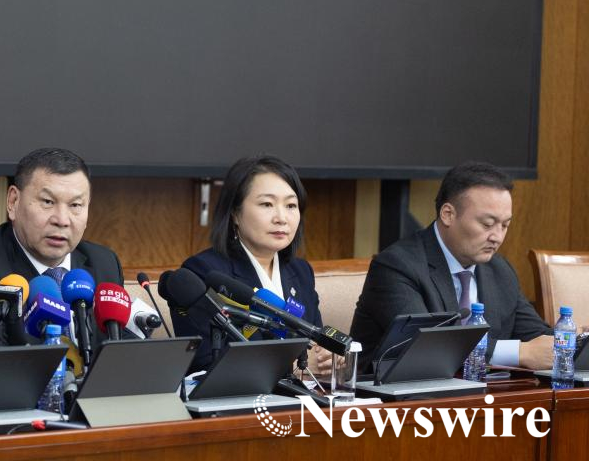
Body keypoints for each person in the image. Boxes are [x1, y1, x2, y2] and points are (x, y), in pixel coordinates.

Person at [0, 147, 124, 382]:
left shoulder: (104, 264)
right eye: (47, 202)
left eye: (75, 205)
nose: (62, 220)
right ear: (13, 202)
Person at [350, 161, 559, 369]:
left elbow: (536, 337)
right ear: (448, 214)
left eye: (505, 225)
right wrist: (519, 352)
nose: (497, 237)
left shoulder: (500, 271)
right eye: (487, 224)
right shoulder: (396, 266)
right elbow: (428, 347)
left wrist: (570, 344)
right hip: (400, 389)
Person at [171, 155, 329, 374]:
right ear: (235, 213)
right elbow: (204, 364)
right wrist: (291, 368)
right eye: (267, 204)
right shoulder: (203, 273)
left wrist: (329, 358)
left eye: (291, 205)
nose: (282, 218)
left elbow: (315, 345)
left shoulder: (301, 272)